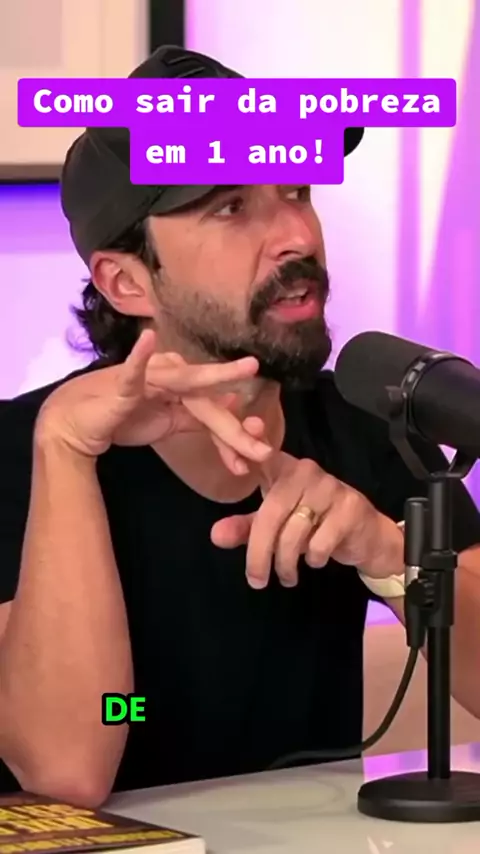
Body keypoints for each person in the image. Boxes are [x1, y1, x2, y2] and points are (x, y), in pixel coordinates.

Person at [1, 45, 480, 808]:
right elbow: (67, 768)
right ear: (127, 281)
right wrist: (64, 455)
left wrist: (387, 552)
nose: (298, 235)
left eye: (296, 190)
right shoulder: (20, 452)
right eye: (230, 206)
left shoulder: (367, 426)